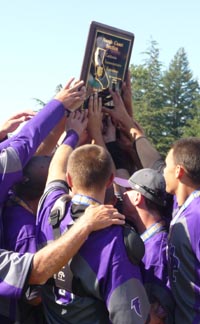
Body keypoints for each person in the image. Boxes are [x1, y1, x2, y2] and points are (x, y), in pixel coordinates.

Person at [0, 77, 125, 306]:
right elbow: (35, 280)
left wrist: (68, 127)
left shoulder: (45, 202)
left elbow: (33, 157)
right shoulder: (27, 226)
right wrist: (85, 225)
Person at [36, 107, 150, 323]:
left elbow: (55, 169)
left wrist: (73, 132)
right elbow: (129, 317)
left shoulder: (50, 209)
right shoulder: (115, 240)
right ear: (110, 180)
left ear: (69, 180)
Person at [114, 168, 175, 323]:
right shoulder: (157, 237)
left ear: (137, 198)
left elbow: (159, 314)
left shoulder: (158, 252)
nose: (123, 195)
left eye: (127, 190)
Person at [163, 137, 200, 323]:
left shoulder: (197, 216)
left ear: (178, 171)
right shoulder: (183, 206)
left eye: (165, 165)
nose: (162, 172)